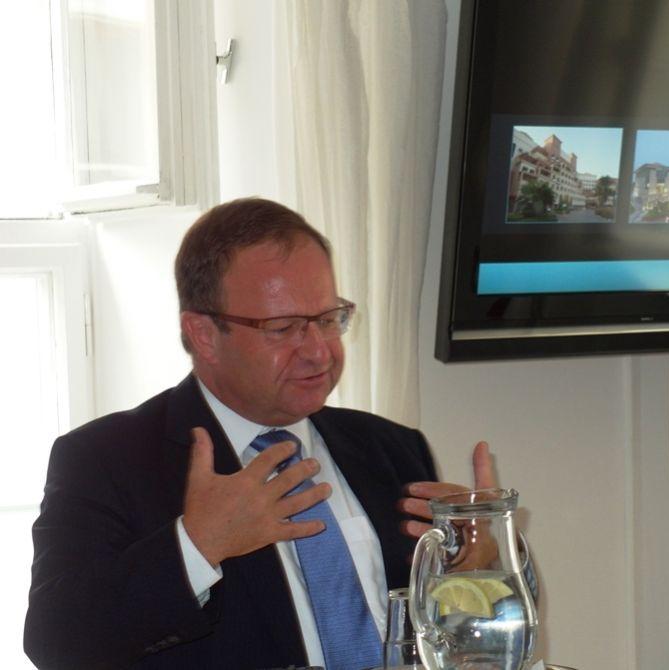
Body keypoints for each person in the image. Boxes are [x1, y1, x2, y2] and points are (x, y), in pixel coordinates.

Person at [24, 197, 491, 669]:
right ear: (204, 334)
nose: (319, 352)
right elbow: (55, 642)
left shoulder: (392, 447)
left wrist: (484, 566)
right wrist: (196, 546)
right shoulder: (108, 459)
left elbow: (454, 637)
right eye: (283, 328)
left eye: (328, 320)